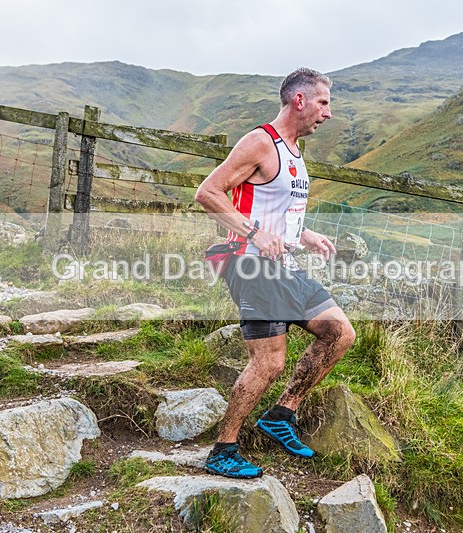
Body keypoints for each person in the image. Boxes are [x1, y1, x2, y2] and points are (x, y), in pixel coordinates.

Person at [194, 67, 356, 479]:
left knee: (339, 334)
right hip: (250, 264)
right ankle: (223, 450)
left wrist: (307, 236)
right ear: (299, 100)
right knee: (269, 362)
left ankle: (280, 415)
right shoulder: (260, 142)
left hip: (285, 264)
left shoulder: (296, 152)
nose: (328, 113)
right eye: (323, 102)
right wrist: (253, 232)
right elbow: (207, 193)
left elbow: (279, 217)